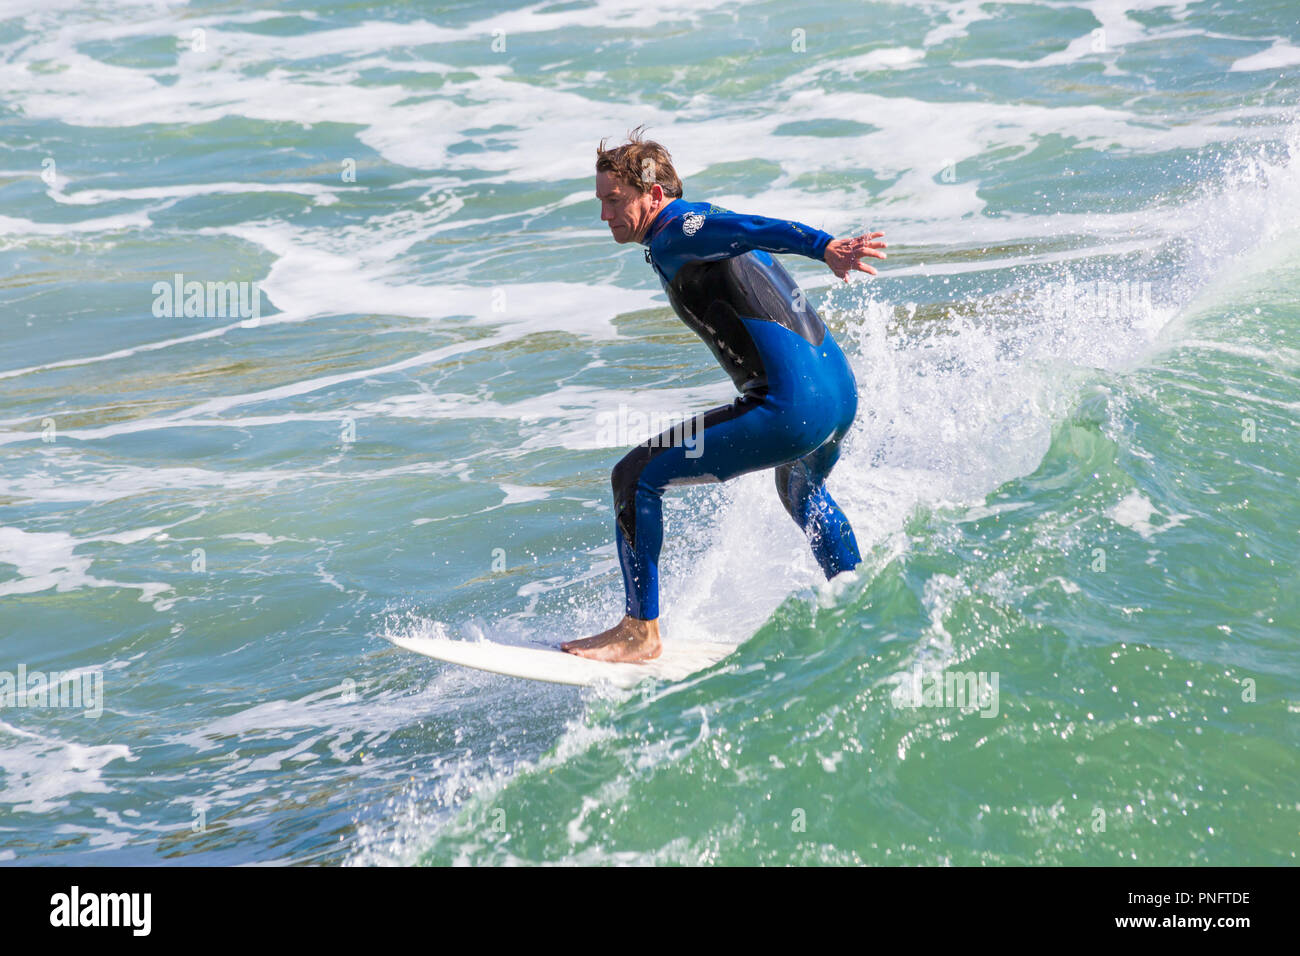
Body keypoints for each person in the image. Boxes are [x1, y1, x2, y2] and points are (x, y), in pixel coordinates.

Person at [562, 126, 886, 662]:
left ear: (654, 195)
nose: (605, 216)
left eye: (614, 200)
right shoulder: (689, 229)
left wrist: (823, 246)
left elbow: (752, 226)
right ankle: (860, 607)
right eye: (601, 201)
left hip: (792, 412)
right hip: (838, 398)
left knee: (635, 477)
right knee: (801, 491)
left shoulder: (678, 231)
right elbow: (742, 233)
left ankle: (640, 632)